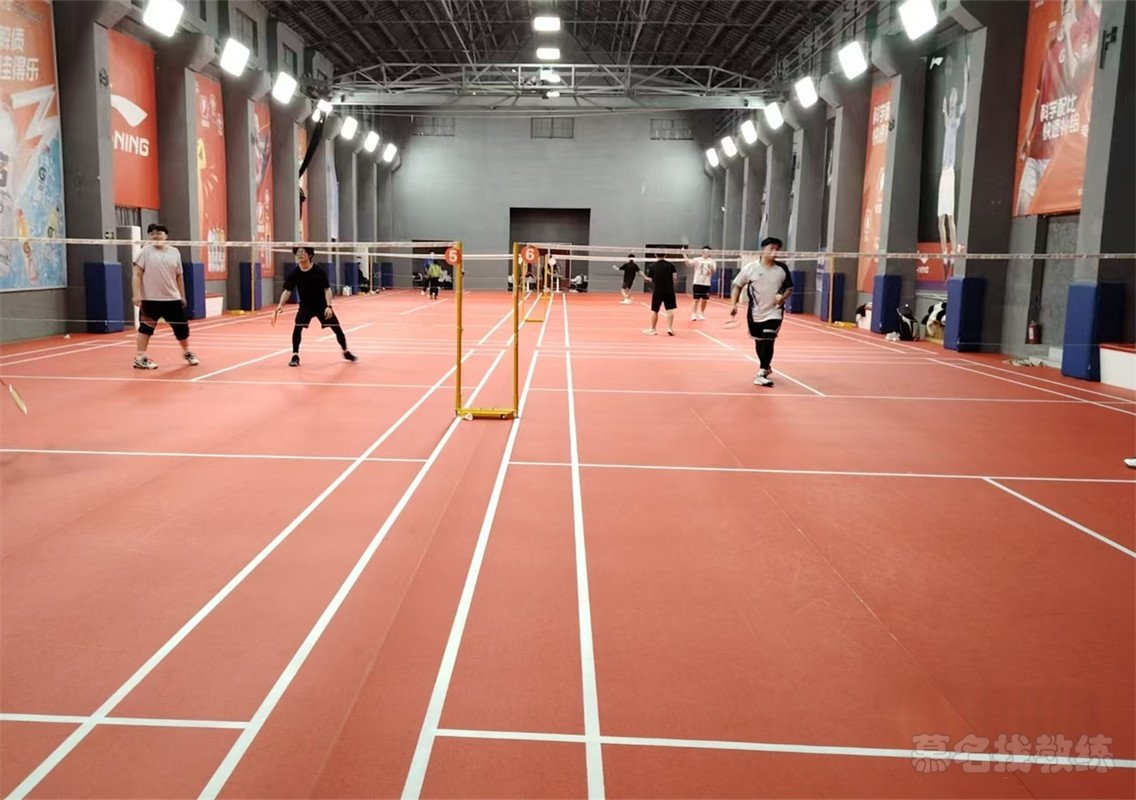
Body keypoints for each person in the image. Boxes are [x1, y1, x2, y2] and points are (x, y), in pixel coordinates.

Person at [276, 246, 357, 367]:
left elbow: (327, 289)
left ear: (309, 255)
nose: (300, 254)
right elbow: (287, 291)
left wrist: (329, 306)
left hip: (321, 306)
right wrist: (280, 305)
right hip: (305, 307)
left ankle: (345, 351)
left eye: (303, 252)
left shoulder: (318, 271)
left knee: (337, 329)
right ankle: (295, 355)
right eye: (298, 252)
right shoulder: (295, 273)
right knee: (297, 328)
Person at [131, 223, 198, 370]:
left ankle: (187, 352)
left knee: (182, 329)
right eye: (152, 233)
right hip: (150, 299)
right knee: (145, 329)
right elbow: (136, 274)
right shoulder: (144, 252)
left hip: (172, 298)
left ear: (166, 236)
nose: (155, 236)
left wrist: (182, 295)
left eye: (159, 233)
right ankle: (140, 357)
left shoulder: (175, 252)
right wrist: (136, 295)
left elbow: (179, 276)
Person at [729, 237, 793, 386]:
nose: (775, 252)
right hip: (755, 313)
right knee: (759, 342)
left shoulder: (782, 269)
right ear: (763, 249)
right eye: (772, 248)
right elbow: (737, 286)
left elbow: (789, 289)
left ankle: (761, 372)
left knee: (769, 339)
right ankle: (766, 365)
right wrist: (733, 305)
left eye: (777, 249)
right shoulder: (750, 268)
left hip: (774, 311)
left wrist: (783, 298)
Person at [938, 55, 968, 276]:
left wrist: (965, 75)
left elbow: (964, 99)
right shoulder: (947, 117)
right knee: (940, 220)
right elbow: (945, 105)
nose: (952, 99)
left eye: (954, 98)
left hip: (949, 172)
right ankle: (944, 254)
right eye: (951, 97)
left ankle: (955, 251)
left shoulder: (956, 121)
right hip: (942, 174)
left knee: (949, 218)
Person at [642, 252, 677, 336]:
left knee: (655, 310)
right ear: (665, 255)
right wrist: (672, 286)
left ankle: (653, 329)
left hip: (657, 291)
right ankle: (670, 328)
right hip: (669, 290)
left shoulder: (652, 266)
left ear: (655, 255)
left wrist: (645, 277)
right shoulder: (671, 265)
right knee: (670, 309)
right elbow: (675, 277)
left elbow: (650, 279)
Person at [684, 245, 717, 320]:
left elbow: (714, 270)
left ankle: (701, 313)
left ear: (709, 253)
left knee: (704, 300)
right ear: (701, 252)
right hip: (697, 282)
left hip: (706, 283)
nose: (705, 253)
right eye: (704, 251)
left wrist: (711, 271)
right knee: (696, 299)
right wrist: (684, 254)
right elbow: (688, 263)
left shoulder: (712, 261)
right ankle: (694, 314)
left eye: (707, 252)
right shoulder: (697, 259)